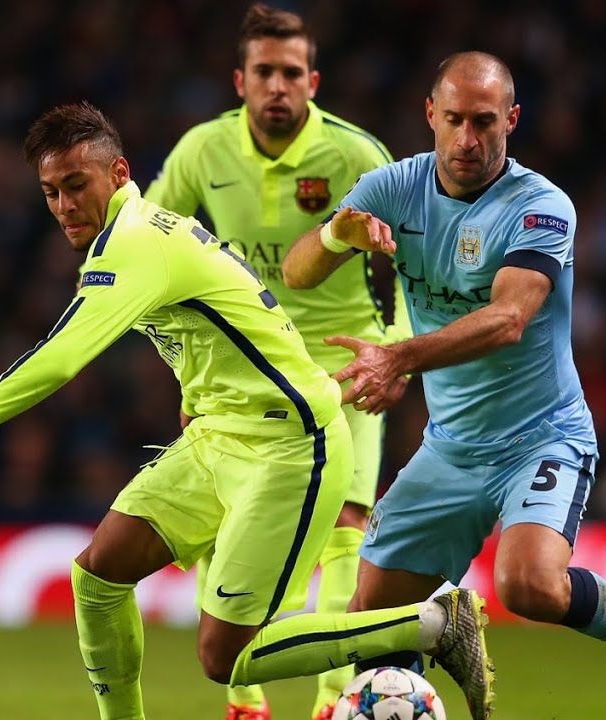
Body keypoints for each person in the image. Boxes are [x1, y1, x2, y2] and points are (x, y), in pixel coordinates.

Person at [0, 101, 495, 720]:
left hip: (291, 449)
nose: (65, 205)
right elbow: (207, 324)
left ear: (119, 173)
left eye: (76, 185)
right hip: (219, 437)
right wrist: (194, 398)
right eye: (51, 193)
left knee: (225, 657)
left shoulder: (134, 244)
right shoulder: (141, 231)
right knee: (98, 576)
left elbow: (55, 363)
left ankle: (433, 624)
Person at [281, 52, 606, 720]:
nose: (467, 138)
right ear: (430, 114)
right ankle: (426, 660)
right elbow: (297, 272)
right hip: (451, 446)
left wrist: (398, 358)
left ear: (511, 120)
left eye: (484, 121)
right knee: (374, 621)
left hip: (541, 437)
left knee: (529, 585)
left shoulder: (540, 207)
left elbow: (508, 320)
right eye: (454, 119)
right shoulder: (392, 187)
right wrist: (336, 233)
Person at [142, 5, 412, 719]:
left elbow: (417, 262)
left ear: (313, 81)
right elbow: (147, 249)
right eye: (264, 71)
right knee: (223, 516)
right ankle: (245, 702)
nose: (277, 86)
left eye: (292, 73)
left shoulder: (358, 155)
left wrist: (397, 352)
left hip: (344, 362)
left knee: (347, 520)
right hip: (244, 367)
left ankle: (335, 699)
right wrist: (189, 365)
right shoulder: (202, 151)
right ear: (240, 80)